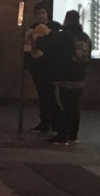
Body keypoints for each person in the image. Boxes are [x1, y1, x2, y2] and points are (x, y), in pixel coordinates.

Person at [38, 9, 91, 145]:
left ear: (67, 20)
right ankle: (73, 134)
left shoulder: (63, 36)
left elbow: (49, 46)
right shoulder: (85, 37)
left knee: (63, 106)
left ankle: (62, 135)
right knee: (74, 106)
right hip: (80, 77)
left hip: (65, 77)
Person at [23, 3, 56, 131]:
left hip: (49, 66)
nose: (41, 15)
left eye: (43, 12)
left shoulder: (54, 27)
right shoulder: (32, 28)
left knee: (49, 95)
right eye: (38, 13)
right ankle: (45, 121)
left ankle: (55, 121)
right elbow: (27, 46)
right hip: (37, 66)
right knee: (43, 95)